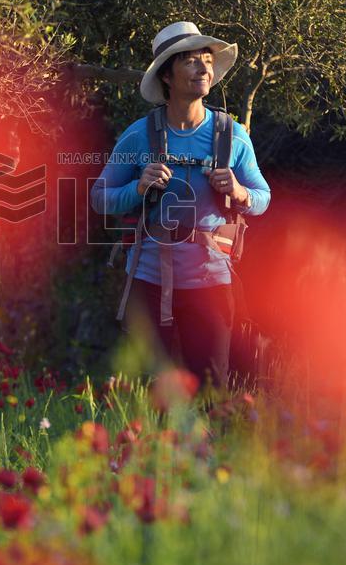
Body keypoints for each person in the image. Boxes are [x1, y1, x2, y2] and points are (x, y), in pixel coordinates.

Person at [90, 21, 271, 385]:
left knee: (211, 390)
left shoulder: (232, 135)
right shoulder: (140, 136)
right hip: (150, 282)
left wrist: (238, 192)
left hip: (212, 285)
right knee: (155, 393)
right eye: (189, 61)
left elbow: (262, 198)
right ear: (167, 77)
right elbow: (100, 199)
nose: (202, 67)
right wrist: (137, 190)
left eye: (206, 59)